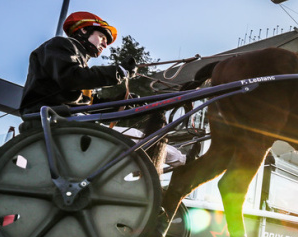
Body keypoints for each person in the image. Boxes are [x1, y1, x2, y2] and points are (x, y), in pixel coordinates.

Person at [19, 11, 185, 167]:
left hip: (68, 121)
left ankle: (181, 160)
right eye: (101, 36)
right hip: (54, 122)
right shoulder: (60, 44)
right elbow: (72, 77)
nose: (105, 44)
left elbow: (87, 104)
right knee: (142, 139)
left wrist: (119, 102)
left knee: (139, 137)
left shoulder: (77, 60)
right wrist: (118, 71)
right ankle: (184, 161)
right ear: (83, 30)